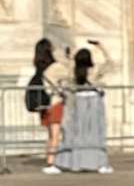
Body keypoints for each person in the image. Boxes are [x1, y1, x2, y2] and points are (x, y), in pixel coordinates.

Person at [50, 41, 113, 173]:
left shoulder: (74, 71)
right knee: (95, 133)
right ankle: (99, 163)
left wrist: (70, 57)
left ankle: (67, 162)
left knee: (74, 133)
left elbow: (61, 77)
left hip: (77, 102)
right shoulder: (94, 70)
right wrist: (101, 47)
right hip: (93, 102)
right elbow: (109, 63)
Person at [27, 37, 63, 170]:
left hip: (44, 104)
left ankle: (50, 160)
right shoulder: (54, 67)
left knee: (50, 134)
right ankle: (51, 162)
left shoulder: (39, 67)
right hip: (54, 102)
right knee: (55, 134)